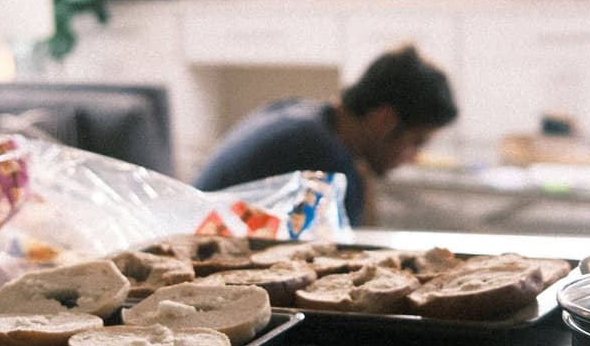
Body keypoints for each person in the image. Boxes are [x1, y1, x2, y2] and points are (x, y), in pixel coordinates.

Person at [194, 44, 457, 226]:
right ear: (384, 119)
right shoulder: (327, 164)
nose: (413, 157)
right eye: (416, 142)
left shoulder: (300, 112)